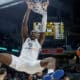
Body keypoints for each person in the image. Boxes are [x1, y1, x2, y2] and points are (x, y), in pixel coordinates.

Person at [0, 0, 64, 79]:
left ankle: (50, 75)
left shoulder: (39, 41)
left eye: (36, 32)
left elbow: (43, 27)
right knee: (1, 56)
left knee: (52, 60)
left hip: (33, 65)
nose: (34, 32)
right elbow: (24, 24)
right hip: (20, 62)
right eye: (33, 32)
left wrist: (45, 13)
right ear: (30, 33)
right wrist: (28, 9)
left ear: (38, 35)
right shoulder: (26, 39)